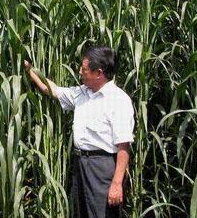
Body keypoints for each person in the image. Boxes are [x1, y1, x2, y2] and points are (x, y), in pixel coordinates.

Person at [24, 46, 134, 218]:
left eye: (84, 69)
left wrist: (117, 183)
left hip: (102, 168)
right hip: (81, 164)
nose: (80, 72)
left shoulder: (118, 100)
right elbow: (50, 89)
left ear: (99, 73)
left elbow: (123, 147)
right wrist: (30, 70)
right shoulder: (81, 93)